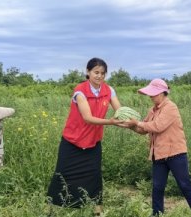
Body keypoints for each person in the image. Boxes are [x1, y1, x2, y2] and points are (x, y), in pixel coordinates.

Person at [47, 57, 124, 216]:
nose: (99, 76)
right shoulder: (80, 91)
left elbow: (120, 112)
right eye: (96, 72)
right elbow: (87, 117)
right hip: (72, 141)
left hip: (93, 143)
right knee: (61, 175)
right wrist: (111, 122)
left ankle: (98, 212)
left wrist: (133, 123)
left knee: (95, 176)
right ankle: (50, 210)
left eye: (102, 73)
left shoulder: (109, 91)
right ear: (88, 72)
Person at [124, 78, 191, 216]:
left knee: (184, 185)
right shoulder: (152, 110)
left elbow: (157, 126)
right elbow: (143, 130)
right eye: (150, 94)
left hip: (175, 153)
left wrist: (138, 122)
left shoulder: (170, 107)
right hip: (158, 154)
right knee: (157, 187)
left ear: (162, 93)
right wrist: (131, 126)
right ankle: (157, 214)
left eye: (153, 94)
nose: (150, 97)